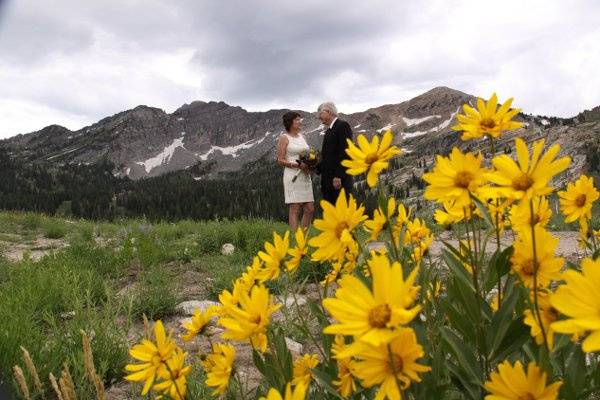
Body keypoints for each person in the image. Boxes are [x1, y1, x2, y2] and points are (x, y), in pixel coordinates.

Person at [277, 111, 315, 230]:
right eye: (297, 120)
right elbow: (280, 160)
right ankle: (294, 238)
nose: (300, 122)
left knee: (310, 208)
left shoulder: (302, 137)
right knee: (295, 207)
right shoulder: (284, 138)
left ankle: (302, 236)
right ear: (290, 122)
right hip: (293, 175)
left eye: (300, 119)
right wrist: (296, 165)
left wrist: (309, 164)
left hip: (305, 175)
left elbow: (307, 154)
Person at [315, 102, 353, 204]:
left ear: (329, 112)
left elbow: (346, 152)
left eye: (321, 113)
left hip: (339, 181)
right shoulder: (329, 131)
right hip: (328, 182)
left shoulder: (342, 126)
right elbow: (328, 158)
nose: (319, 117)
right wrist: (315, 167)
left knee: (342, 215)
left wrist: (339, 175)